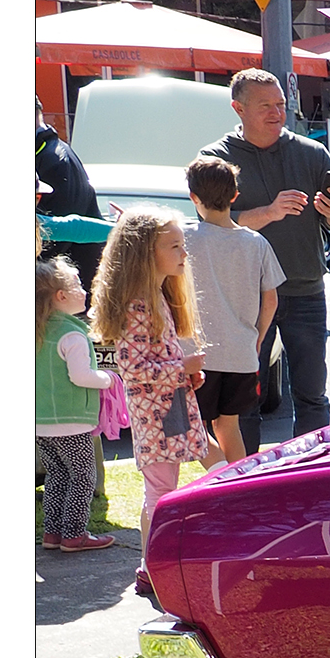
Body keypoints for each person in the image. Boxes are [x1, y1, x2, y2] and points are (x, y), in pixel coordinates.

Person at [201, 69, 330, 444]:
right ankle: (249, 472)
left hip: (305, 289)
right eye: (265, 105)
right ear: (238, 108)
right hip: (244, 297)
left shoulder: (311, 153)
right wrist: (267, 213)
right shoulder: (216, 158)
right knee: (244, 400)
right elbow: (209, 222)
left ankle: (312, 469)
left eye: (281, 104)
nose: (276, 113)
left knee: (312, 395)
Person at [90, 207, 211, 553]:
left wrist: (184, 375)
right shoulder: (137, 305)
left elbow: (154, 361)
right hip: (153, 416)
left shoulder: (155, 297)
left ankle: (153, 562)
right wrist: (181, 367)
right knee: (161, 491)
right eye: (174, 246)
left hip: (166, 410)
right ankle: (154, 563)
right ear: (146, 252)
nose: (184, 253)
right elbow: (133, 369)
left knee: (164, 487)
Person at [181, 156, 283, 469]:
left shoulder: (184, 238)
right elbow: (271, 299)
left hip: (197, 354)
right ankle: (241, 484)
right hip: (241, 353)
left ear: (193, 197)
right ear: (235, 195)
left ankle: (224, 480)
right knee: (229, 425)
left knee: (191, 426)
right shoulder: (257, 242)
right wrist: (258, 337)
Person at [35, 256, 119, 554]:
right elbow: (81, 376)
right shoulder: (72, 334)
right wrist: (109, 379)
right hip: (71, 420)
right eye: (78, 285)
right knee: (83, 476)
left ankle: (53, 532)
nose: (84, 291)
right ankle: (74, 534)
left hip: (41, 421)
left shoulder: (39, 330)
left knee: (57, 475)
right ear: (61, 296)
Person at [35, 101, 105, 291]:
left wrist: (125, 229)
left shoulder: (56, 160)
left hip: (66, 292)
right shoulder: (49, 154)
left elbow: (66, 231)